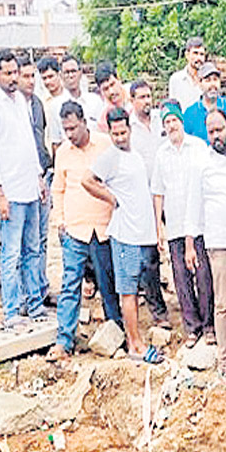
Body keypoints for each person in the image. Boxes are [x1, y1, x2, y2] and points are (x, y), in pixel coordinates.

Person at [85, 107, 167, 359]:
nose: (120, 137)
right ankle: (135, 344)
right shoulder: (110, 157)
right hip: (125, 236)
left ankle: (137, 339)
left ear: (130, 129)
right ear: (109, 132)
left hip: (142, 234)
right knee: (128, 291)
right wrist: (111, 198)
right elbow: (88, 181)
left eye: (123, 132)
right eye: (115, 133)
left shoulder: (135, 156)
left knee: (139, 288)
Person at [0, 49, 47, 329]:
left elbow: (28, 142)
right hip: (10, 192)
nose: (12, 78)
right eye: (7, 73)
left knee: (33, 248)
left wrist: (39, 176)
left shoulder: (21, 99)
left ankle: (35, 305)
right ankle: (11, 311)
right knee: (11, 253)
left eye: (15, 72)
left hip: (30, 186)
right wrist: (0, 194)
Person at [49, 101, 118, 359]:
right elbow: (58, 188)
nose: (70, 134)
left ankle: (116, 333)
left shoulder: (105, 145)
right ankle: (64, 341)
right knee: (70, 285)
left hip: (102, 227)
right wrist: (60, 220)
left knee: (107, 284)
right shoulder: (63, 152)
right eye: (66, 130)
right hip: (74, 230)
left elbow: (115, 180)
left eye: (73, 128)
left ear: (84, 122)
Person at [188, 109, 226, 384]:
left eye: (219, 130)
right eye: (211, 132)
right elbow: (194, 208)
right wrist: (190, 245)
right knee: (223, 304)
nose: (216, 136)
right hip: (220, 245)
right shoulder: (201, 165)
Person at [153, 101, 214, 348]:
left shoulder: (199, 148)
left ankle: (209, 326)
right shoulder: (161, 154)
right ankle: (192, 326)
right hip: (176, 226)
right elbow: (158, 192)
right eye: (166, 122)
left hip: (200, 225)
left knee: (203, 275)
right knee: (180, 278)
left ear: (181, 121)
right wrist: (158, 225)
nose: (171, 126)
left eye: (174, 121)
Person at [18, 54, 54, 307]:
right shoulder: (11, 106)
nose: (31, 81)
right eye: (26, 76)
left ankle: (40, 287)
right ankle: (24, 295)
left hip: (43, 175)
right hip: (21, 181)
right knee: (23, 242)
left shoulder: (38, 104)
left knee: (41, 238)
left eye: (33, 76)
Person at [184, 62, 226, 143]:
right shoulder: (190, 113)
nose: (213, 84)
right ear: (199, 83)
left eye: (215, 79)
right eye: (208, 80)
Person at [59, 54, 104, 132]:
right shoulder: (56, 106)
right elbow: (56, 141)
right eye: (66, 72)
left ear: (80, 73)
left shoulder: (95, 101)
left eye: (73, 71)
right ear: (61, 75)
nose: (71, 75)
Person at [129, 78, 163, 172]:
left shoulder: (161, 118)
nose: (147, 101)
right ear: (132, 101)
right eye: (142, 97)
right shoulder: (128, 127)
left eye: (148, 96)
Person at [170, 37, 208, 110]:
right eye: (195, 53)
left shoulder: (209, 80)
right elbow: (173, 109)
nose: (199, 58)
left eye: (202, 54)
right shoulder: (176, 80)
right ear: (187, 55)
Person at [93, 62, 129, 129]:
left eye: (112, 84)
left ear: (119, 79)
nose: (111, 92)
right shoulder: (103, 118)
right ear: (101, 92)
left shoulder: (135, 95)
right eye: (106, 89)